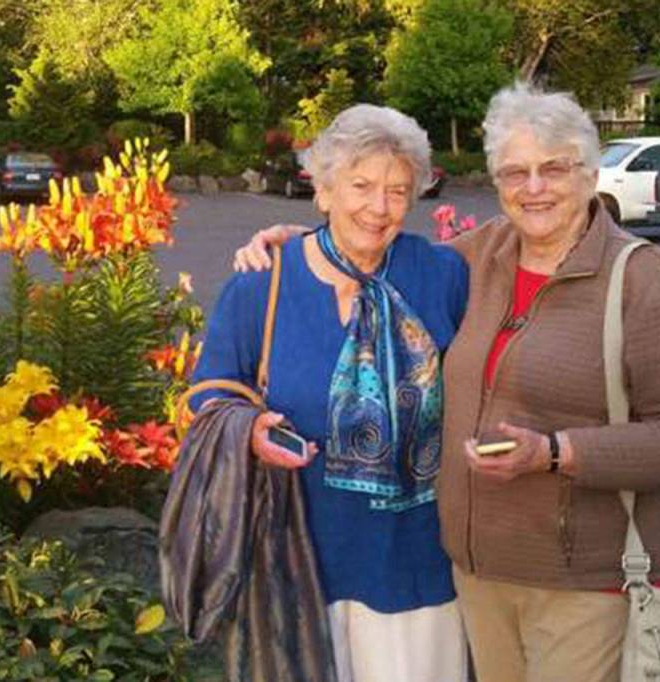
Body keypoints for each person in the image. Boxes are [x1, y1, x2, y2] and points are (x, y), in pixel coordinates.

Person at [234, 82, 660, 682]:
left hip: (590, 582)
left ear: (590, 173)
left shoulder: (647, 281)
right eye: (514, 172)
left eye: (554, 168)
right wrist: (298, 244)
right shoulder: (476, 257)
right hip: (479, 575)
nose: (534, 187)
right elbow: (369, 244)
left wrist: (558, 452)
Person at [191, 104, 470, 682]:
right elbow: (210, 392)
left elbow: (534, 235)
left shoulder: (442, 274)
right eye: (361, 186)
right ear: (322, 190)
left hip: (417, 566)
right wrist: (250, 431)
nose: (378, 207)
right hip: (298, 560)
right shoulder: (263, 282)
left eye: (397, 191)